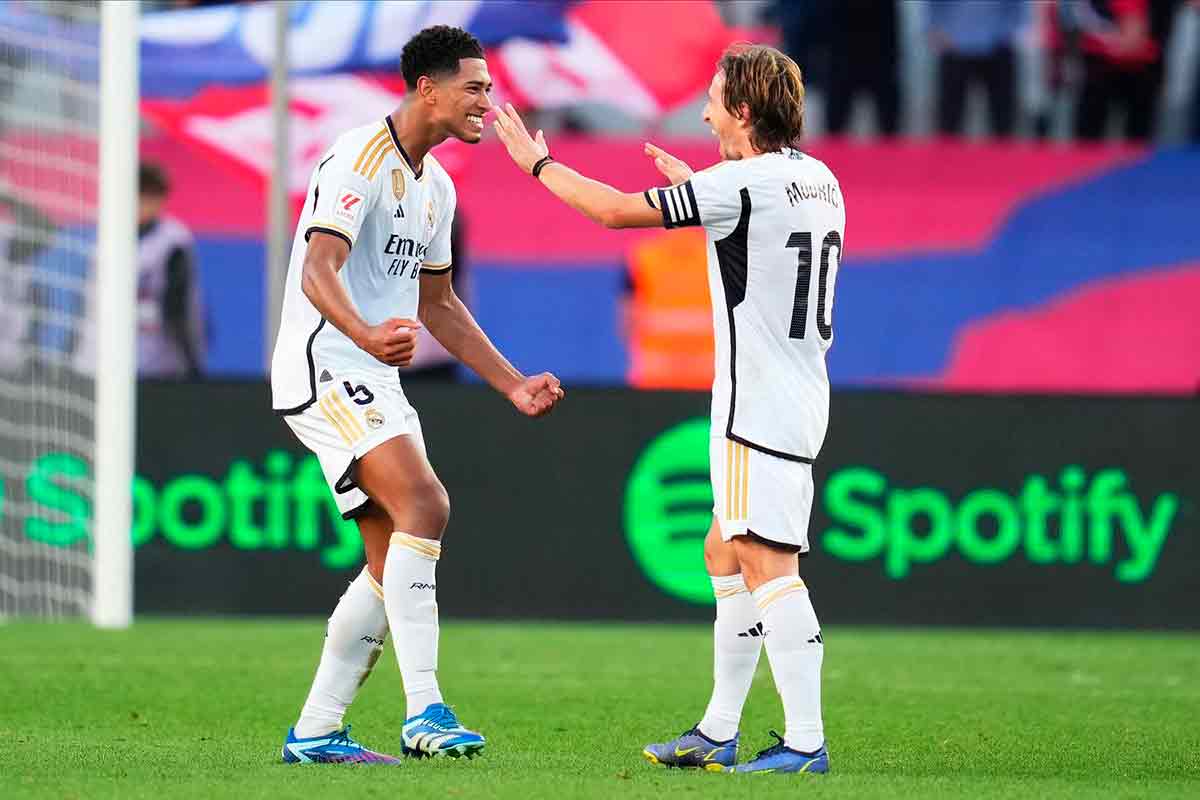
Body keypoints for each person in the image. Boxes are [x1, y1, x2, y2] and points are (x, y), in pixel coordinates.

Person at [493, 43, 844, 775]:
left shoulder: (737, 185)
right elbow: (759, 234)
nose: (705, 113)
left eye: (713, 100)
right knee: (723, 550)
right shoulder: (818, 179)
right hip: (798, 394)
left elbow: (613, 210)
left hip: (757, 408)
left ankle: (806, 742)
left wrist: (536, 163)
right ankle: (718, 729)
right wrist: (700, 190)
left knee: (767, 564)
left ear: (742, 110)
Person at [271, 26, 564, 764]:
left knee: (388, 562)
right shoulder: (358, 157)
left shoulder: (438, 187)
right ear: (428, 89)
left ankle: (316, 731)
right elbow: (317, 270)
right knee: (426, 504)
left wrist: (511, 382)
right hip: (326, 364)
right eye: (475, 88)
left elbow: (439, 305)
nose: (487, 102)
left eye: (490, 89)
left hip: (372, 370)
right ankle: (424, 710)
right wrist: (367, 334)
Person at [133, 163, 206, 378]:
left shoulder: (173, 242)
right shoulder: (103, 238)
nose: (146, 204)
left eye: (153, 196)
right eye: (142, 195)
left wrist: (191, 362)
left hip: (159, 365)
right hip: (102, 363)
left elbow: (178, 307)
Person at [929, 0, 1025, 137]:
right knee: (948, 121)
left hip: (998, 45)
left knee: (1004, 121)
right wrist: (935, 28)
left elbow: (1019, 8)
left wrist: (1012, 31)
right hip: (953, 45)